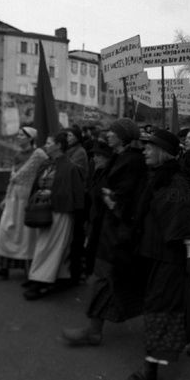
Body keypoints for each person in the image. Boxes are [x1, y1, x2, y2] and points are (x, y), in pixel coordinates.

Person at [127, 129, 190, 380]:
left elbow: (185, 219)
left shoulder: (176, 182)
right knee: (178, 298)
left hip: (170, 256)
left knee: (158, 306)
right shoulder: (156, 177)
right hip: (153, 252)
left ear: (162, 151)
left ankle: (151, 367)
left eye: (149, 147)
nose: (144, 150)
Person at [62, 118, 147, 345]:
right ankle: (95, 329)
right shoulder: (121, 157)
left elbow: (127, 196)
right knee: (108, 278)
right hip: (109, 229)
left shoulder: (132, 161)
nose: (108, 135)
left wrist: (112, 199)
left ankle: (93, 330)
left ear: (123, 137)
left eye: (113, 132)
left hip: (118, 231)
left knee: (105, 278)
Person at [23, 132, 85, 300]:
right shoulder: (46, 164)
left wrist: (51, 194)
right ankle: (56, 277)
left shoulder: (70, 167)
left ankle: (39, 280)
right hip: (44, 211)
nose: (46, 145)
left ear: (59, 145)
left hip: (60, 213)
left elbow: (74, 194)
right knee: (45, 245)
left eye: (49, 142)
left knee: (50, 247)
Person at [0, 127, 48, 279]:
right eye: (19, 134)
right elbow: (12, 180)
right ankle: (4, 267)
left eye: (22, 135)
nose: (18, 137)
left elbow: (46, 170)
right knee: (6, 230)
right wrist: (6, 197)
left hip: (27, 197)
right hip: (14, 197)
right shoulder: (17, 155)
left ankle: (29, 268)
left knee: (26, 234)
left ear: (30, 138)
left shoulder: (38, 154)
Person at [83, 139, 113, 276]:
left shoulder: (108, 175)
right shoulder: (97, 173)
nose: (94, 158)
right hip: (93, 220)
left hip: (101, 222)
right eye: (94, 155)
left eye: (98, 156)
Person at [65, 125, 90, 284]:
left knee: (77, 235)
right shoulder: (71, 151)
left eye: (70, 135)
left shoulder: (80, 152)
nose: (68, 138)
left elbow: (73, 170)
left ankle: (78, 269)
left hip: (78, 198)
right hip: (73, 197)